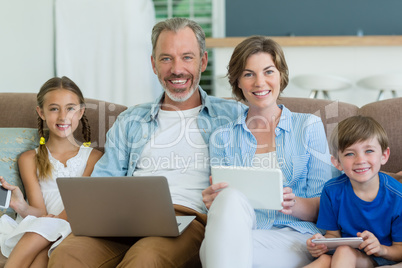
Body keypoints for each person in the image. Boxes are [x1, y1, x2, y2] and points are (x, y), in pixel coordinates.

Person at [48, 17, 245, 268]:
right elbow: (104, 181)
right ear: (153, 64)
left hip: (188, 220)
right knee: (67, 254)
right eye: (166, 58)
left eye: (187, 57)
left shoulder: (233, 115)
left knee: (146, 258)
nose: (176, 69)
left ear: (203, 61)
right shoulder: (130, 119)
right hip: (124, 219)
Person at [200, 36, 333, 268]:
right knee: (228, 198)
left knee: (218, 249)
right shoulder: (222, 137)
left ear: (281, 76)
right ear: (238, 81)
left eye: (268, 72)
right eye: (249, 74)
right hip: (244, 231)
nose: (260, 82)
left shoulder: (308, 127)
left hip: (296, 236)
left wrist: (294, 204)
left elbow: (326, 206)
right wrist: (213, 203)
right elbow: (223, 213)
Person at [0, 76, 103, 267]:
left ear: (80, 112)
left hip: (73, 226)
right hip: (42, 229)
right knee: (40, 259)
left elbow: (80, 205)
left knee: (42, 240)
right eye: (54, 109)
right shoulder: (29, 159)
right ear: (41, 112)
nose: (63, 116)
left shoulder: (94, 158)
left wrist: (51, 222)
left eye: (70, 108)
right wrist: (20, 205)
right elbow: (40, 212)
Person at [305, 115, 402, 268]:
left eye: (369, 151)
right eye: (350, 153)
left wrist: (380, 249)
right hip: (342, 254)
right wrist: (321, 245)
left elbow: (400, 249)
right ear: (337, 162)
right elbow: (332, 235)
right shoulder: (331, 191)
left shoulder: (398, 196)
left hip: (381, 256)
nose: (360, 160)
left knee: (342, 252)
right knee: (324, 260)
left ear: (384, 156)